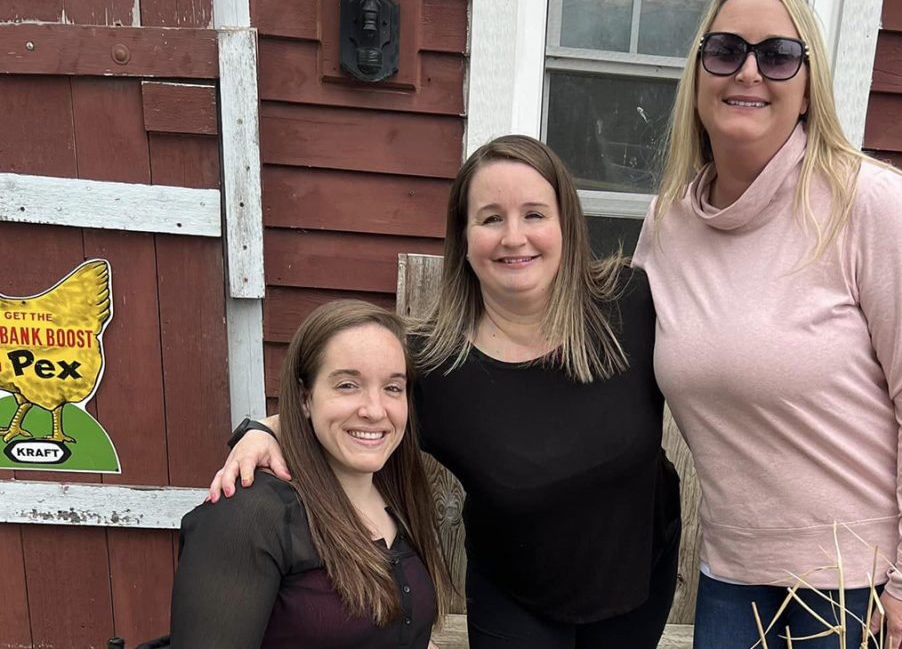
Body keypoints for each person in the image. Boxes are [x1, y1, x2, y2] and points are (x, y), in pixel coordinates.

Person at [209, 135, 683, 649]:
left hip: (638, 574)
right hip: (515, 595)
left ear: (566, 222)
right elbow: (346, 409)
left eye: (534, 214)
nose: (514, 237)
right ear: (463, 236)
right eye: (491, 218)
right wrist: (261, 432)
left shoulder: (632, 309)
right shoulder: (433, 364)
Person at [632, 0, 902, 649]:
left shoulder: (868, 202)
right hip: (730, 571)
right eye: (724, 50)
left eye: (778, 55)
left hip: (857, 584)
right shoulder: (668, 223)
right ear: (697, 73)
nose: (748, 71)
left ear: (809, 83)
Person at [170, 300, 449, 648]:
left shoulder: (399, 497)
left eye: (392, 387)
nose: (375, 410)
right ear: (305, 397)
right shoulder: (251, 516)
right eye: (347, 385)